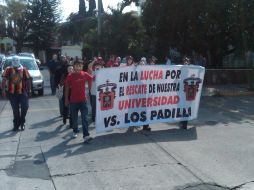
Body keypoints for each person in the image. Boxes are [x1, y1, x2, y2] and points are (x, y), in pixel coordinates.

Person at [65, 60, 94, 143]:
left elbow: (91, 78)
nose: (78, 67)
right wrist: (66, 99)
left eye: (80, 66)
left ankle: (86, 136)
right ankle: (75, 130)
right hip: (73, 102)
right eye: (76, 66)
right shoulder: (70, 76)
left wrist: (89, 88)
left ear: (82, 67)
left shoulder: (84, 74)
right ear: (74, 66)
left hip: (83, 101)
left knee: (84, 119)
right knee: (74, 119)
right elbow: (67, 88)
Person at [1, 56, 31, 131]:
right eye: (14, 60)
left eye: (16, 60)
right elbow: (4, 79)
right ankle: (16, 125)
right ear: (12, 61)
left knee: (25, 106)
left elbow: (28, 80)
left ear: (19, 61)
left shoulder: (24, 69)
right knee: (15, 110)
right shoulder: (8, 69)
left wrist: (29, 90)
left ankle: (22, 122)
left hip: (23, 92)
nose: (15, 61)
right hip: (12, 93)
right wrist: (3, 90)